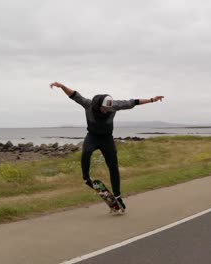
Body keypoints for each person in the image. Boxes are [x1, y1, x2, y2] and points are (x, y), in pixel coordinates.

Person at [50, 82, 164, 210]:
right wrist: (62, 87)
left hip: (107, 139)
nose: (107, 111)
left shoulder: (114, 105)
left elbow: (133, 102)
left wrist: (152, 100)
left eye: (109, 109)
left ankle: (117, 195)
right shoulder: (89, 105)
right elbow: (75, 95)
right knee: (86, 152)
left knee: (113, 166)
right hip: (92, 136)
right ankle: (86, 178)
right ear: (99, 105)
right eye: (105, 109)